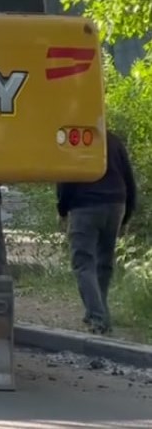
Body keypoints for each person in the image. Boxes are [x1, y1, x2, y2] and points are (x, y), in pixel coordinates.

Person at [56, 129, 139, 335]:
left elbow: (65, 177)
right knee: (104, 262)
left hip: (85, 206)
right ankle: (99, 310)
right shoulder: (113, 139)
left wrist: (62, 209)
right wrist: (127, 213)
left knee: (83, 262)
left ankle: (97, 317)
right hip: (115, 204)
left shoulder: (72, 137)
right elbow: (129, 179)